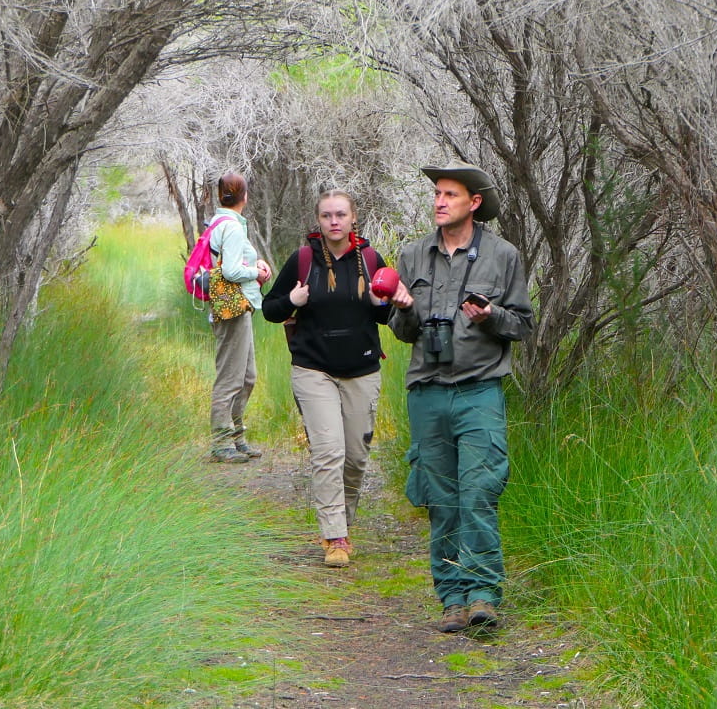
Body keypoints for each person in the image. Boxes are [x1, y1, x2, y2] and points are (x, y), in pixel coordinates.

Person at [388, 161, 534, 633]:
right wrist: (405, 311)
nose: (439, 201)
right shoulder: (412, 255)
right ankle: (451, 598)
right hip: (427, 393)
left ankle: (484, 595)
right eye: (436, 194)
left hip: (479, 391)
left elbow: (523, 325)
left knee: (479, 494)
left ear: (473, 203)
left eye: (449, 194)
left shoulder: (503, 255)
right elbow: (400, 331)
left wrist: (491, 316)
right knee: (441, 499)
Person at [262, 190, 406, 567]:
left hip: (362, 370)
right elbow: (270, 309)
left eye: (341, 214)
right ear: (319, 221)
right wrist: (292, 301)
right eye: (327, 216)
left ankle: (343, 523)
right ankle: (335, 536)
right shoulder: (303, 259)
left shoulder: (371, 260)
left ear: (353, 217)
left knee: (355, 458)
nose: (334, 222)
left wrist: (383, 305)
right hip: (313, 370)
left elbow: (387, 316)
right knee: (328, 452)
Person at [207, 171, 272, 463]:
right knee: (230, 378)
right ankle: (222, 442)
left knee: (247, 377)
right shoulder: (231, 227)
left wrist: (254, 261)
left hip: (239, 306)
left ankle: (237, 436)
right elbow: (232, 271)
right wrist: (255, 272)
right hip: (231, 308)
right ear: (244, 197)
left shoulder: (222, 222)